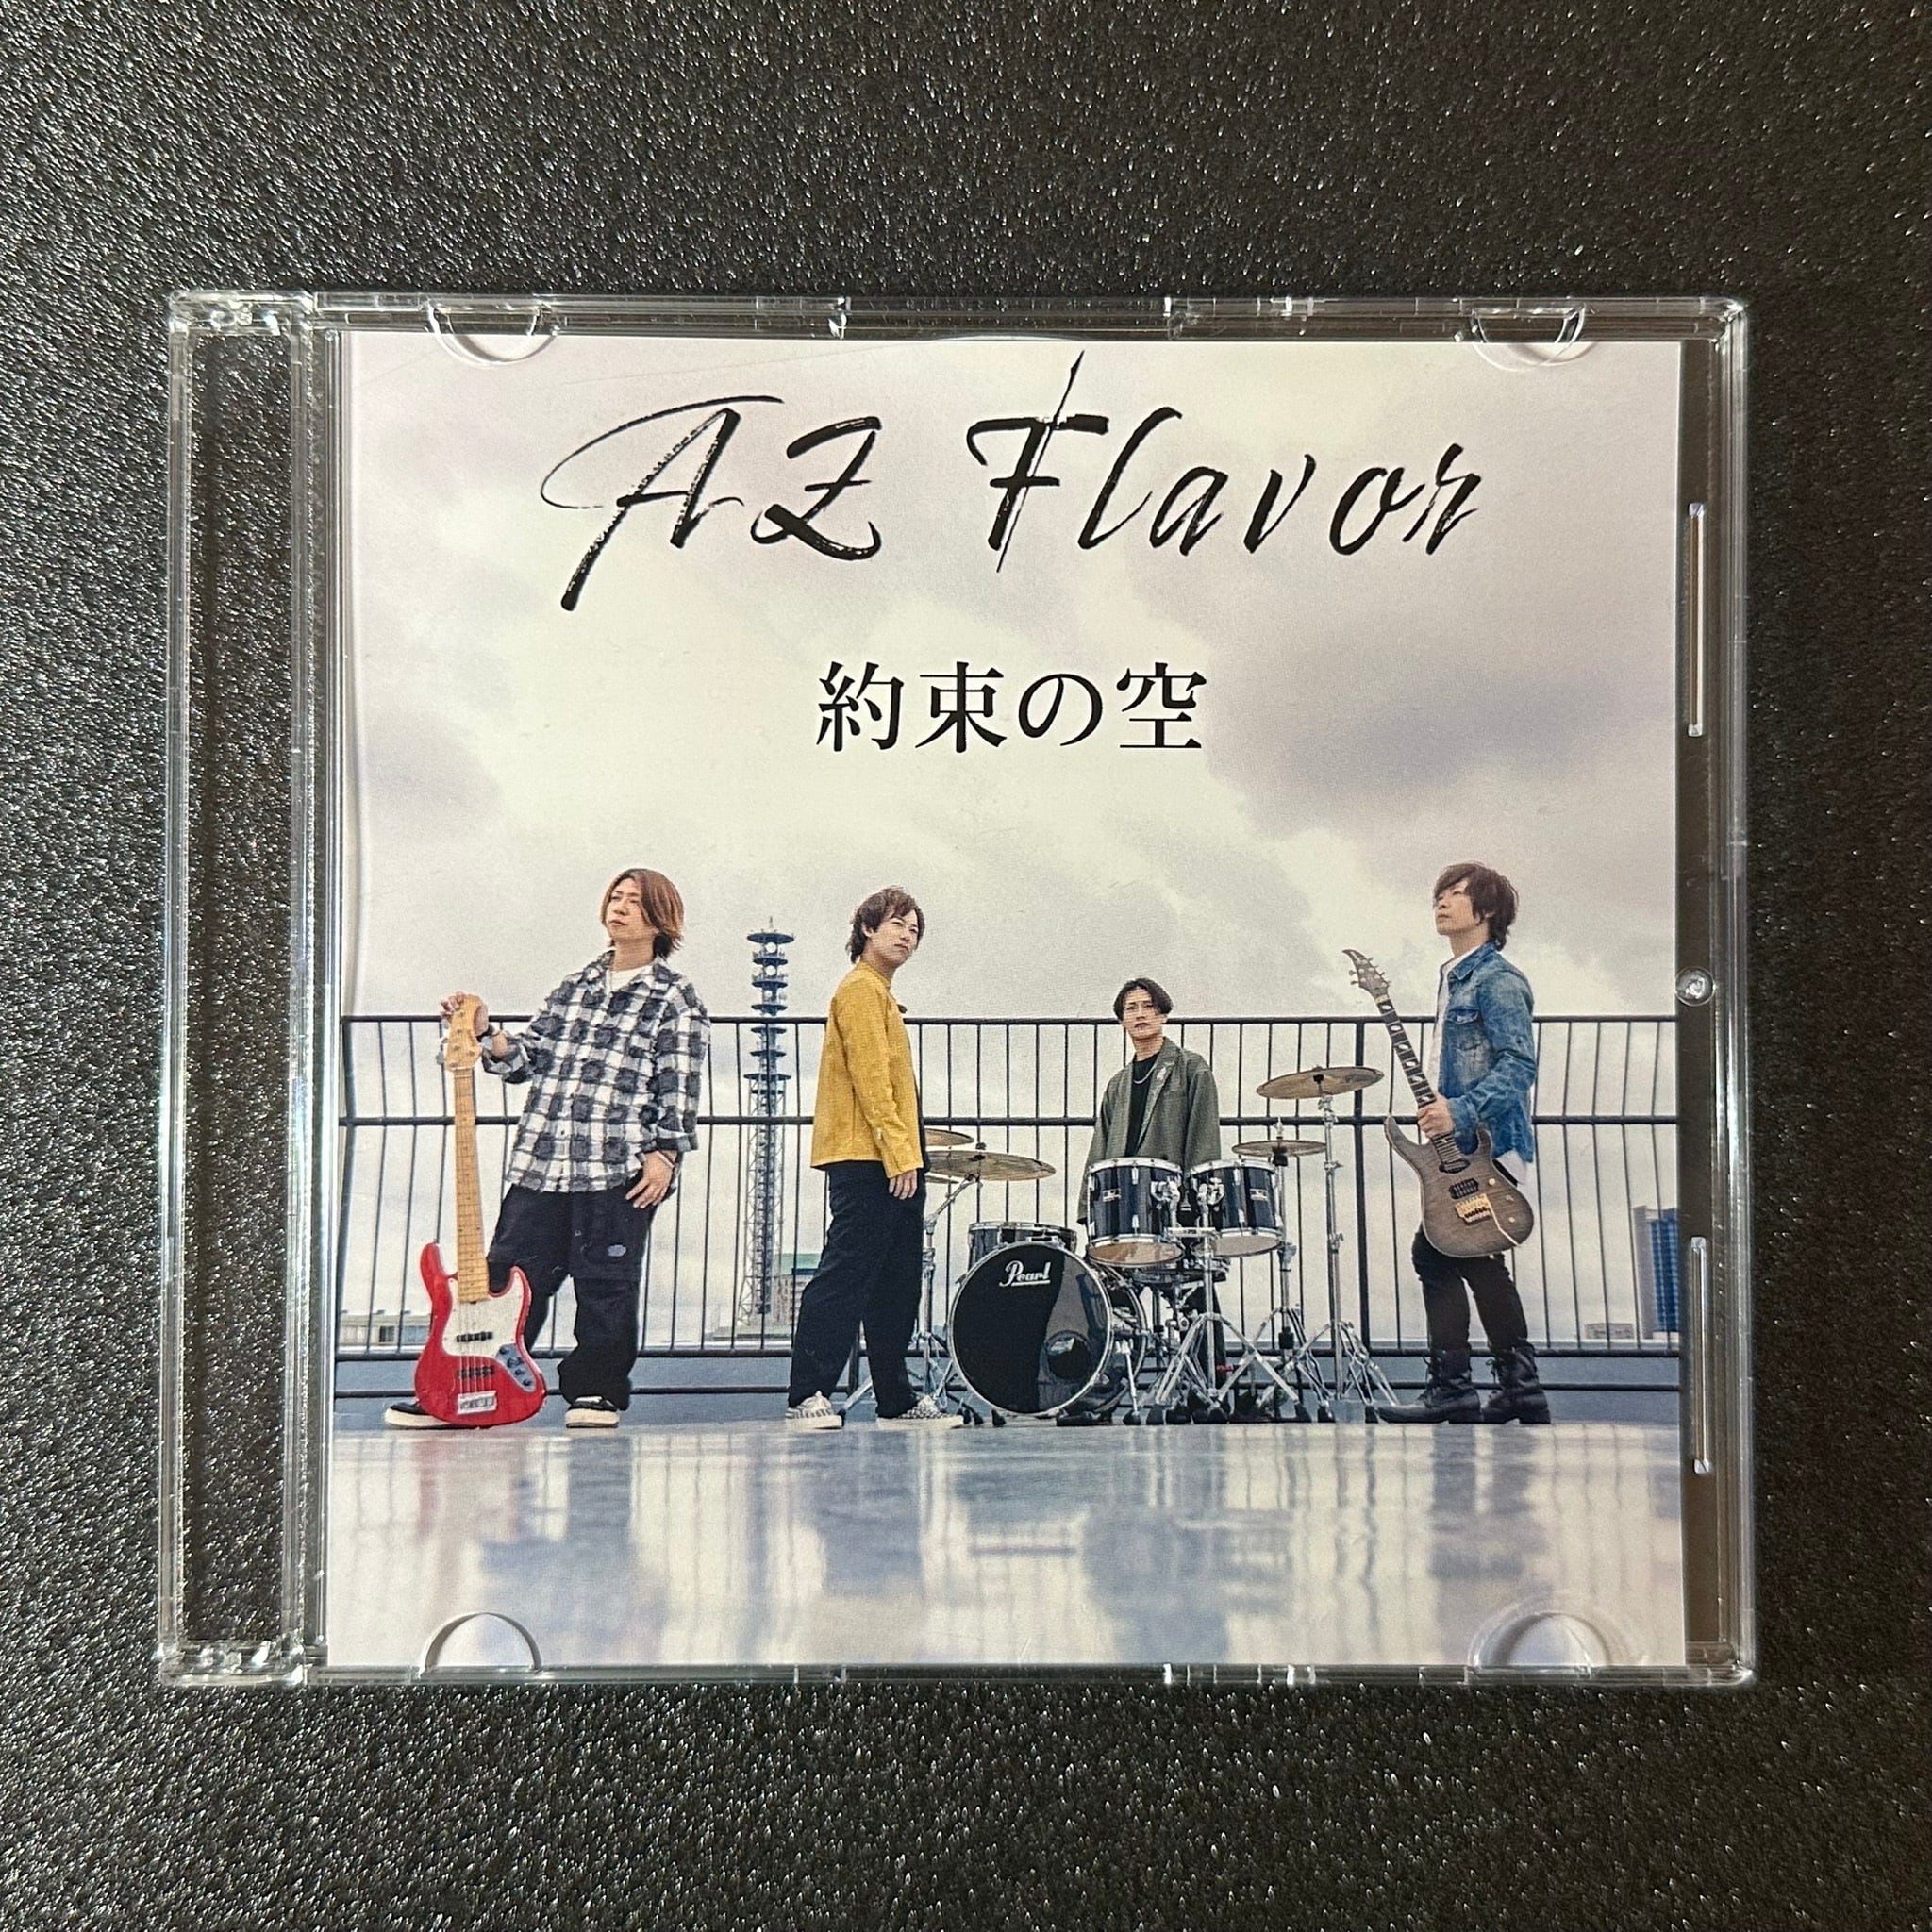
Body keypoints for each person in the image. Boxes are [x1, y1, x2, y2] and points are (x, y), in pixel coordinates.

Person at [386, 868, 708, 1431]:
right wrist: (486, 1033)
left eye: (635, 901)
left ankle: (596, 1393)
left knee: (606, 1283)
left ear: (661, 918)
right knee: (504, 1277)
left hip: (616, 1164)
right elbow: (525, 1058)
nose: (620, 907)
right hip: (542, 1160)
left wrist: (666, 1155)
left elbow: (677, 1083)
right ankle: (464, 1387)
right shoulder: (574, 985)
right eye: (615, 896)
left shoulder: (673, 997)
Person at [1375, 863, 1548, 1424]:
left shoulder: (1497, 980)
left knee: (1438, 1253)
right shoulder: (1454, 979)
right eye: (1439, 895)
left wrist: (1460, 1110)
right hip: (1465, 1145)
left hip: (1488, 1143)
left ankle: (1457, 1388)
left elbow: (1519, 1064)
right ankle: (1518, 1388)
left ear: (1487, 911)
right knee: (1474, 1259)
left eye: (1456, 894)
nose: (1442, 902)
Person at [785, 887, 961, 1430]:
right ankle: (808, 1392)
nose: (907, 936)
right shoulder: (861, 990)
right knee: (849, 1272)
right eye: (897, 925)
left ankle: (896, 1398)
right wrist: (900, 1155)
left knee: (895, 1281)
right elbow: (871, 1079)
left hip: (889, 1154)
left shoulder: (879, 994)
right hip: (869, 1157)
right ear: (867, 929)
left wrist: (906, 1154)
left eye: (915, 930)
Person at [1081, 978, 1226, 1386]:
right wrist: (1088, 1207)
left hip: (1173, 1204)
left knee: (1195, 1293)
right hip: (1123, 1209)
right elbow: (1100, 1145)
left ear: (1163, 1014)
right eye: (1131, 1008)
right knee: (1107, 1299)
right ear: (1122, 1021)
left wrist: (1198, 1202)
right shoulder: (1117, 1085)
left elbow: (1204, 1136)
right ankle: (1102, 1387)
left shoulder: (1192, 1068)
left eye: (1148, 1006)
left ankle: (1210, 1384)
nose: (1140, 1014)